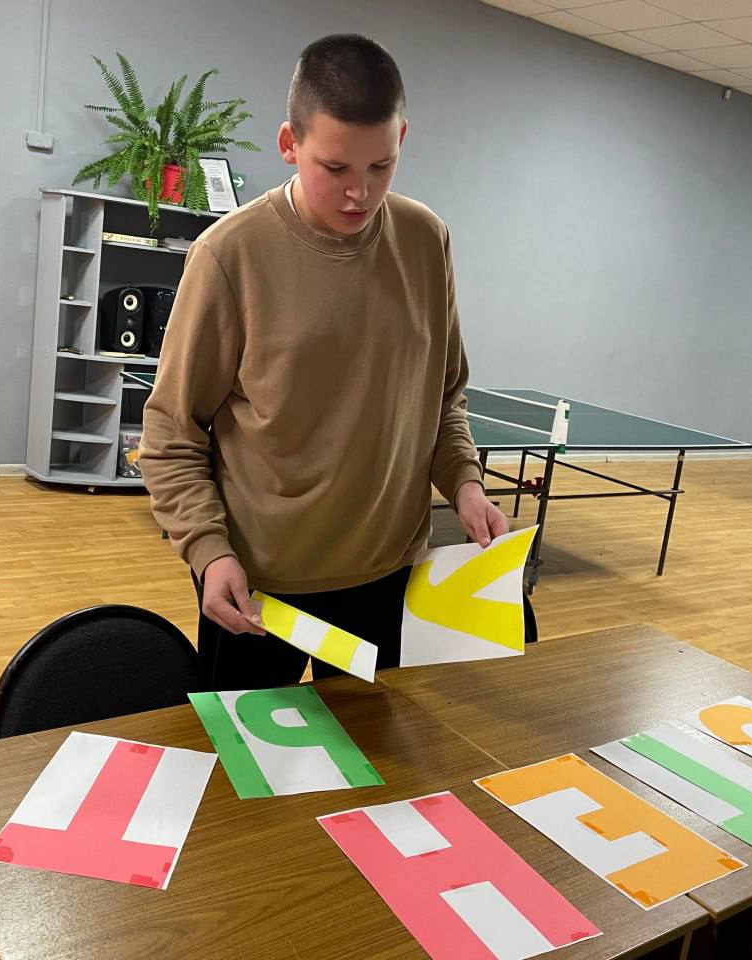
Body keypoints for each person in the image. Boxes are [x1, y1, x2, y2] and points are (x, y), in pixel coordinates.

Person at [139, 33, 508, 690]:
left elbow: (443, 395)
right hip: (259, 587)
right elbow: (170, 432)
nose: (359, 193)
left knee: (384, 753)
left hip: (391, 575)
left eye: (381, 166)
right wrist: (208, 549)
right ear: (289, 143)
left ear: (402, 139)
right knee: (251, 760)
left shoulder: (426, 240)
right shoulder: (229, 256)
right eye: (334, 168)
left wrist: (465, 482)